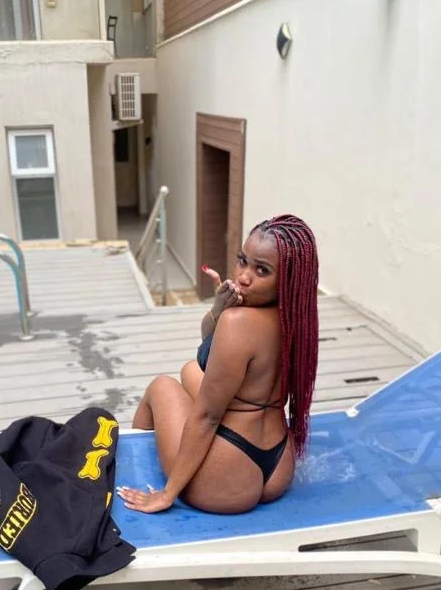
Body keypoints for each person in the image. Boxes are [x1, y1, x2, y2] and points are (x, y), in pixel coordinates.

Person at [117, 213, 319, 515]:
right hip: (279, 465)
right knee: (189, 369)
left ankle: (135, 469)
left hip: (225, 478)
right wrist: (219, 309)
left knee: (161, 385)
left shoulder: (238, 322)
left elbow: (207, 417)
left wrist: (167, 494)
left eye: (261, 270)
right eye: (243, 261)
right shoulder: (297, 320)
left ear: (287, 278)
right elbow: (211, 359)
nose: (244, 277)